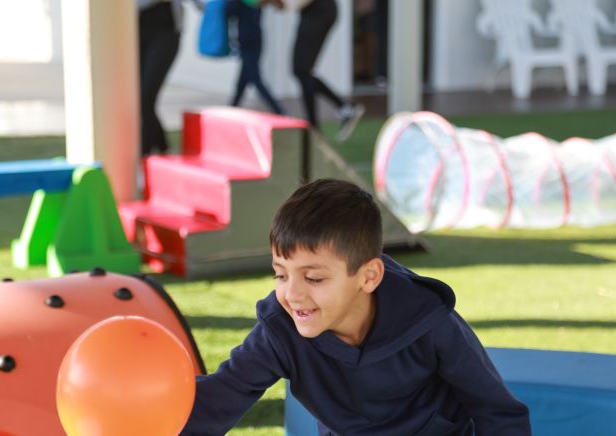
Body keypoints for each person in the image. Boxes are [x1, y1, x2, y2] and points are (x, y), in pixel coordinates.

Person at [181, 178, 531, 435]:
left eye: (314, 278)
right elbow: (217, 400)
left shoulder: (428, 320)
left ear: (368, 277)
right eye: (280, 275)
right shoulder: (280, 329)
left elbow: (497, 412)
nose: (293, 294)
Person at [289, 0, 366, 142]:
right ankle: (341, 110)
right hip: (315, 11)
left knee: (302, 69)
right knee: (301, 70)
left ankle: (316, 127)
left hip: (319, 10)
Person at [137, 0, 200, 156]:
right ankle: (164, 151)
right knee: (141, 100)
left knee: (146, 97)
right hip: (136, 33)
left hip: (165, 31)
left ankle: (143, 156)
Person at [226, 0, 286, 114]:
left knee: (255, 79)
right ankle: (232, 108)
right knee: (243, 80)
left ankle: (280, 111)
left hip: (249, 41)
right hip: (253, 40)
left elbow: (229, 12)